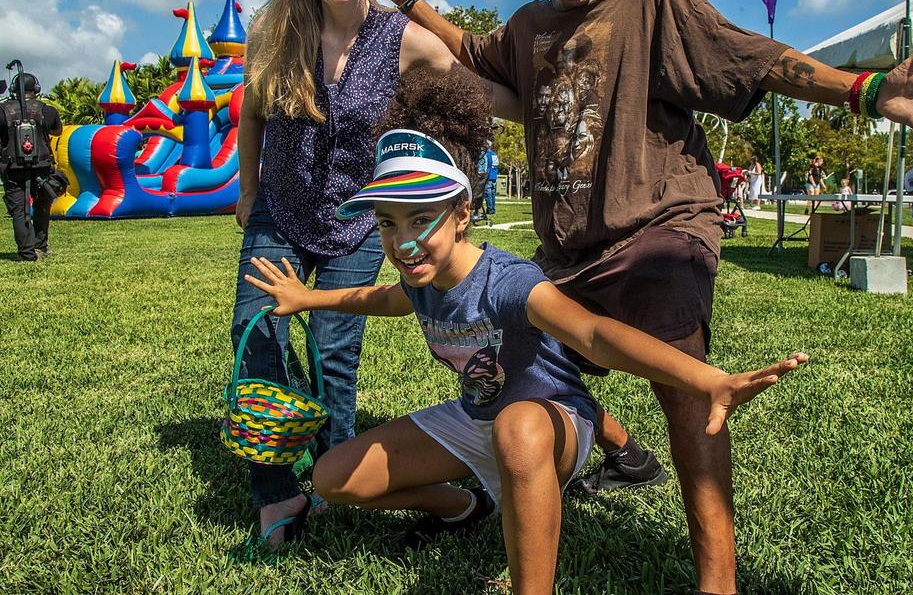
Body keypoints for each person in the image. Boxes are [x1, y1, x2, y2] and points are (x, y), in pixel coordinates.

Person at [368, 0, 913, 593]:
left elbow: (758, 58)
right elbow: (469, 51)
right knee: (527, 385)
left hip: (660, 229)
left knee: (689, 403)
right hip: (569, 255)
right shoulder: (530, 28)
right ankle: (600, 466)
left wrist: (867, 89)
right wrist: (408, 1)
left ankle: (716, 583)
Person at [243, 66, 808, 594]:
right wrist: (306, 297)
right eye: (388, 223)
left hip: (551, 425)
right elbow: (383, 299)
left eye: (421, 218)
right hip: (478, 419)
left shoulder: (508, 282)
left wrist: (705, 379)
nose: (402, 240)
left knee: (516, 428)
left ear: (462, 213)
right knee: (332, 476)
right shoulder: (421, 278)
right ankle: (464, 507)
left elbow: (592, 334)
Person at [229, 0, 464, 551]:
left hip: (357, 218)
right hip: (281, 205)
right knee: (256, 333)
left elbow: (474, 78)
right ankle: (276, 490)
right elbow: (249, 111)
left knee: (335, 347)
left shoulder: (403, 39)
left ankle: (332, 472)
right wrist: (248, 188)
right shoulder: (275, 30)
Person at [1, 71, 62, 262]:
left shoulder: (3, 110)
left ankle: (27, 253)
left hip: (12, 168)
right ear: (35, 89)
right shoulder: (47, 110)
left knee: (19, 210)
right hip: (41, 166)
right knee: (42, 206)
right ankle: (40, 246)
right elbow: (57, 130)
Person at [480, 139, 499, 214]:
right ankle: (493, 209)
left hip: (488, 176)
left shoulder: (486, 155)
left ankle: (490, 209)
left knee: (488, 193)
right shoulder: (494, 154)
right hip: (494, 176)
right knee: (492, 193)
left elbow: (484, 166)